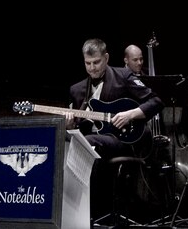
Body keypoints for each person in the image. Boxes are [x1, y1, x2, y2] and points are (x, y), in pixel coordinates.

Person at [66, 38, 163, 221]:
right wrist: (70, 125)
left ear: (107, 57)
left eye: (96, 62)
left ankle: (89, 212)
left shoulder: (124, 76)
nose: (92, 68)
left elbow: (156, 102)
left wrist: (131, 114)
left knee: (87, 141)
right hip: (93, 140)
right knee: (68, 139)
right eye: (88, 63)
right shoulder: (76, 89)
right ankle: (71, 207)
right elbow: (76, 124)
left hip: (123, 140)